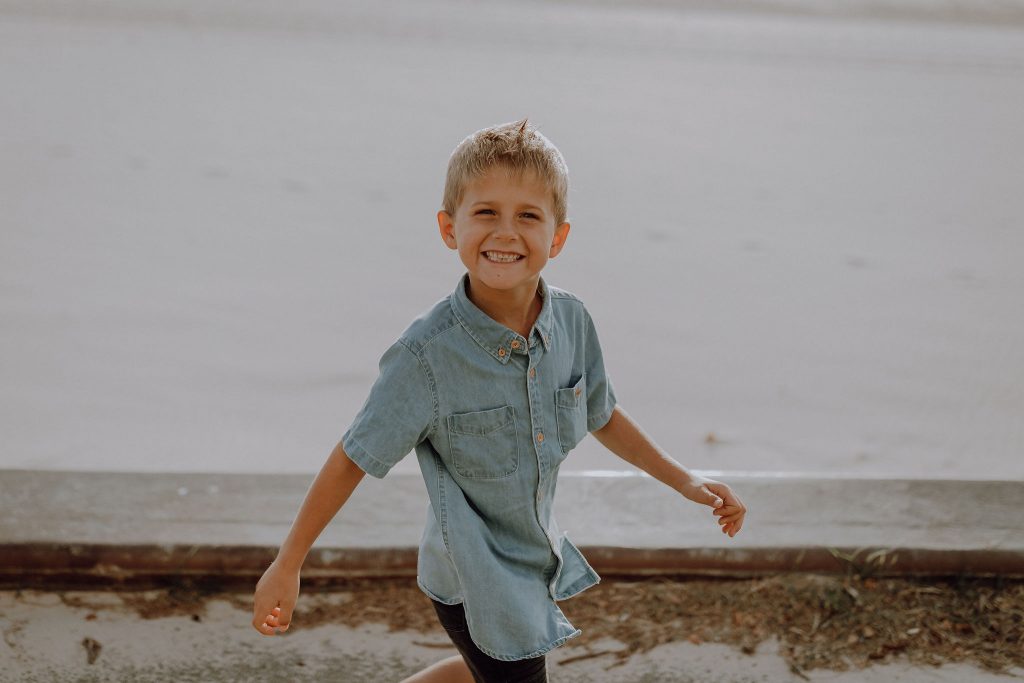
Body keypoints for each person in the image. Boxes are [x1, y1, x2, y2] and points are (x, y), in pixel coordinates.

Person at [252, 118, 747, 682]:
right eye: (485, 212)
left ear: (557, 237)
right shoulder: (425, 357)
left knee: (484, 675)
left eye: (528, 216)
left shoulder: (573, 321)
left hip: (532, 559)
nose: (505, 233)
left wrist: (684, 480)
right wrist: (288, 562)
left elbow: (601, 412)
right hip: (471, 578)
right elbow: (353, 456)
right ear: (448, 227)